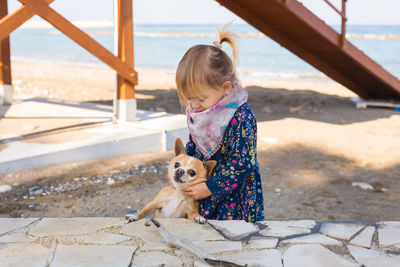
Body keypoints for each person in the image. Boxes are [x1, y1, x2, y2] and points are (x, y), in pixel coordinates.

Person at [175, 25, 264, 223]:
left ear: (225, 88)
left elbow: (243, 164)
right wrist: (181, 170)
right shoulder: (199, 111)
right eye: (188, 98)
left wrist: (209, 188)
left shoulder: (240, 116)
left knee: (231, 240)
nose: (194, 105)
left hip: (234, 197)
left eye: (200, 99)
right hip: (202, 188)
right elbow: (193, 145)